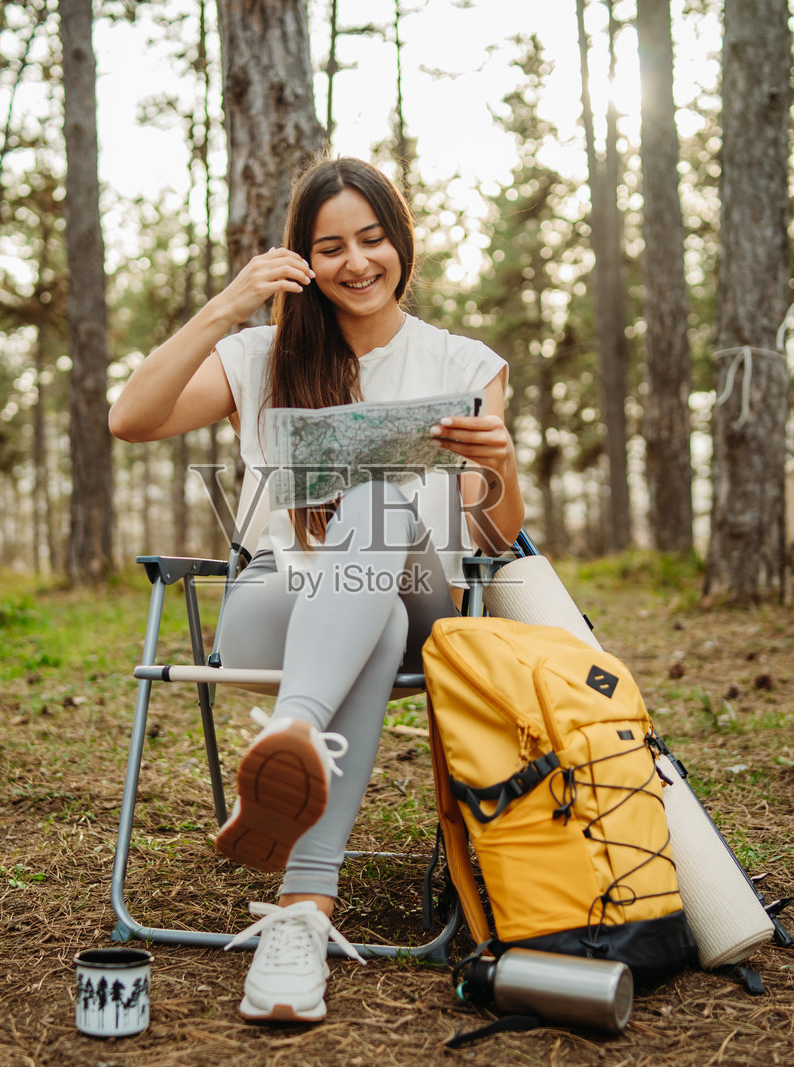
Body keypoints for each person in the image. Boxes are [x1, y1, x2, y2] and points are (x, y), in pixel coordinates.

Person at [108, 157, 524, 1023]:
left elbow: (491, 538)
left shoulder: (463, 362)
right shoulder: (259, 355)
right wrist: (229, 304)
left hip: (423, 606)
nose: (357, 262)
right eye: (331, 247)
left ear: (401, 242)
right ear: (301, 259)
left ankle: (291, 736)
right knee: (367, 623)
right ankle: (302, 910)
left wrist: (503, 465)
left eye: (373, 240)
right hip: (279, 603)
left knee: (376, 511)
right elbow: (131, 418)